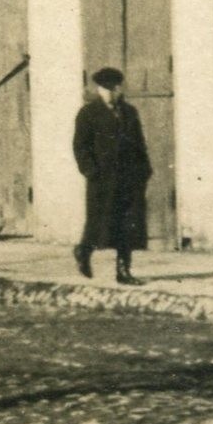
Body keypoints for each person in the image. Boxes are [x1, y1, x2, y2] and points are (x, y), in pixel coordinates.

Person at [71, 67, 152, 285]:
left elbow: (139, 143)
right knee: (98, 223)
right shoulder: (88, 114)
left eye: (113, 88)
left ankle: (123, 271)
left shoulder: (129, 112)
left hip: (129, 178)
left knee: (129, 224)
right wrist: (91, 171)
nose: (109, 92)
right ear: (99, 90)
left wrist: (144, 170)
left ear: (119, 88)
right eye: (104, 89)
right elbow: (80, 147)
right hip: (102, 179)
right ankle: (83, 251)